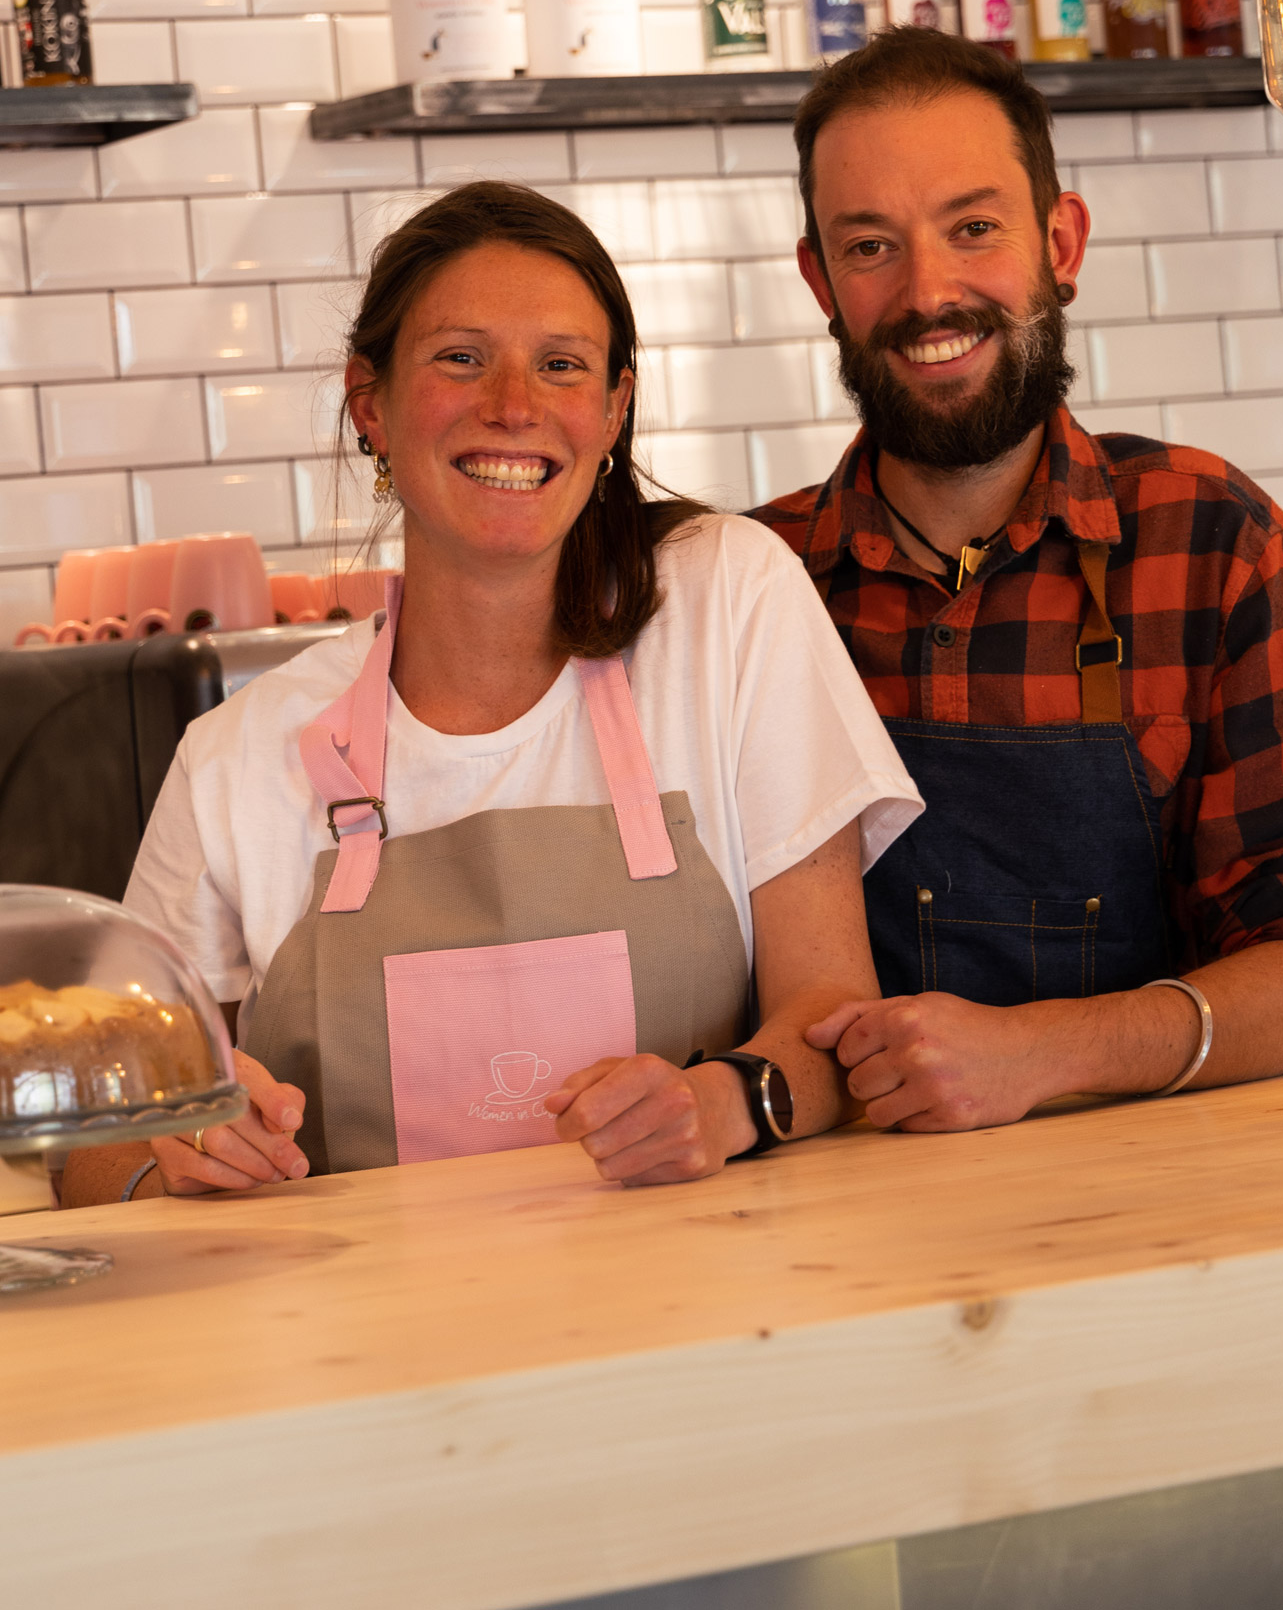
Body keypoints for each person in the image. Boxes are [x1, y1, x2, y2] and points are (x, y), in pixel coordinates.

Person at [61, 181, 921, 1204]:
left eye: (560, 365)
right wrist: (180, 1152)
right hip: (371, 1345)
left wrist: (725, 1101)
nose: (512, 405)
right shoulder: (236, 756)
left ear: (612, 411)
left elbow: (832, 1015)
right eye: (460, 358)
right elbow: (89, 1147)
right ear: (369, 405)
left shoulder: (727, 600)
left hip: (712, 1323)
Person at [751, 28, 1283, 1133]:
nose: (927, 291)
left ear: (1060, 240)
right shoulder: (754, 589)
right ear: (819, 280)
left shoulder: (1216, 544)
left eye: (974, 228)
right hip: (837, 1244)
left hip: (1167, 1233)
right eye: (869, 246)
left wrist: (1044, 1051)